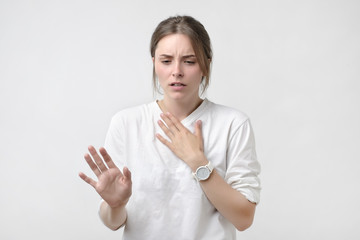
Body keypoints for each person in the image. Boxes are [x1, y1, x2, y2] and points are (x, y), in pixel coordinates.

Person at [79, 15, 261, 240]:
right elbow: (113, 223)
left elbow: (244, 219)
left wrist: (198, 162)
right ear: (154, 63)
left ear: (206, 64)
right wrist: (116, 204)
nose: (177, 71)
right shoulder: (126, 123)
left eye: (189, 61)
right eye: (166, 61)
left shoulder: (233, 124)